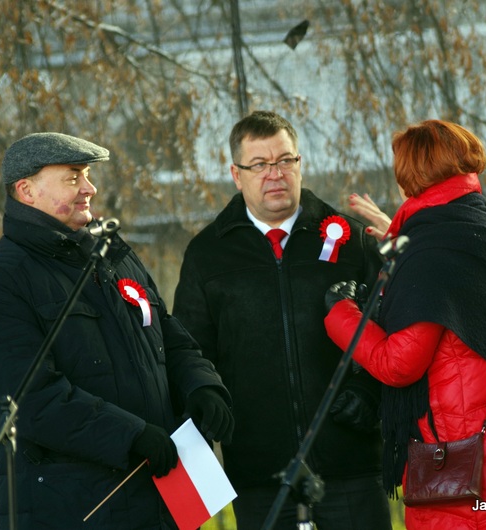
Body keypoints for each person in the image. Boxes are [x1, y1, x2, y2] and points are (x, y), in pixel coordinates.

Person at [0, 132, 234, 530]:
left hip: (160, 500)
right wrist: (131, 436)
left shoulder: (113, 257)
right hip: (73, 509)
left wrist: (201, 385)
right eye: (73, 177)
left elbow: (169, 338)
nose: (90, 188)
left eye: (87, 175)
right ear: (27, 190)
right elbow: (31, 400)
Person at [324, 119, 486, 529]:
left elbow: (400, 363)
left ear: (411, 176)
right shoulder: (482, 224)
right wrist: (402, 239)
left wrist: (340, 313)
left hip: (477, 461)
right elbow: (454, 298)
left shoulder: (431, 252)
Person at [172, 111, 393, 529]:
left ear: (299, 163)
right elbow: (191, 352)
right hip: (259, 473)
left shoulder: (352, 240)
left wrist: (369, 391)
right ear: (236, 175)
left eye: (284, 160)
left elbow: (391, 331)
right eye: (259, 164)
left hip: (351, 465)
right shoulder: (206, 255)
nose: (275, 174)